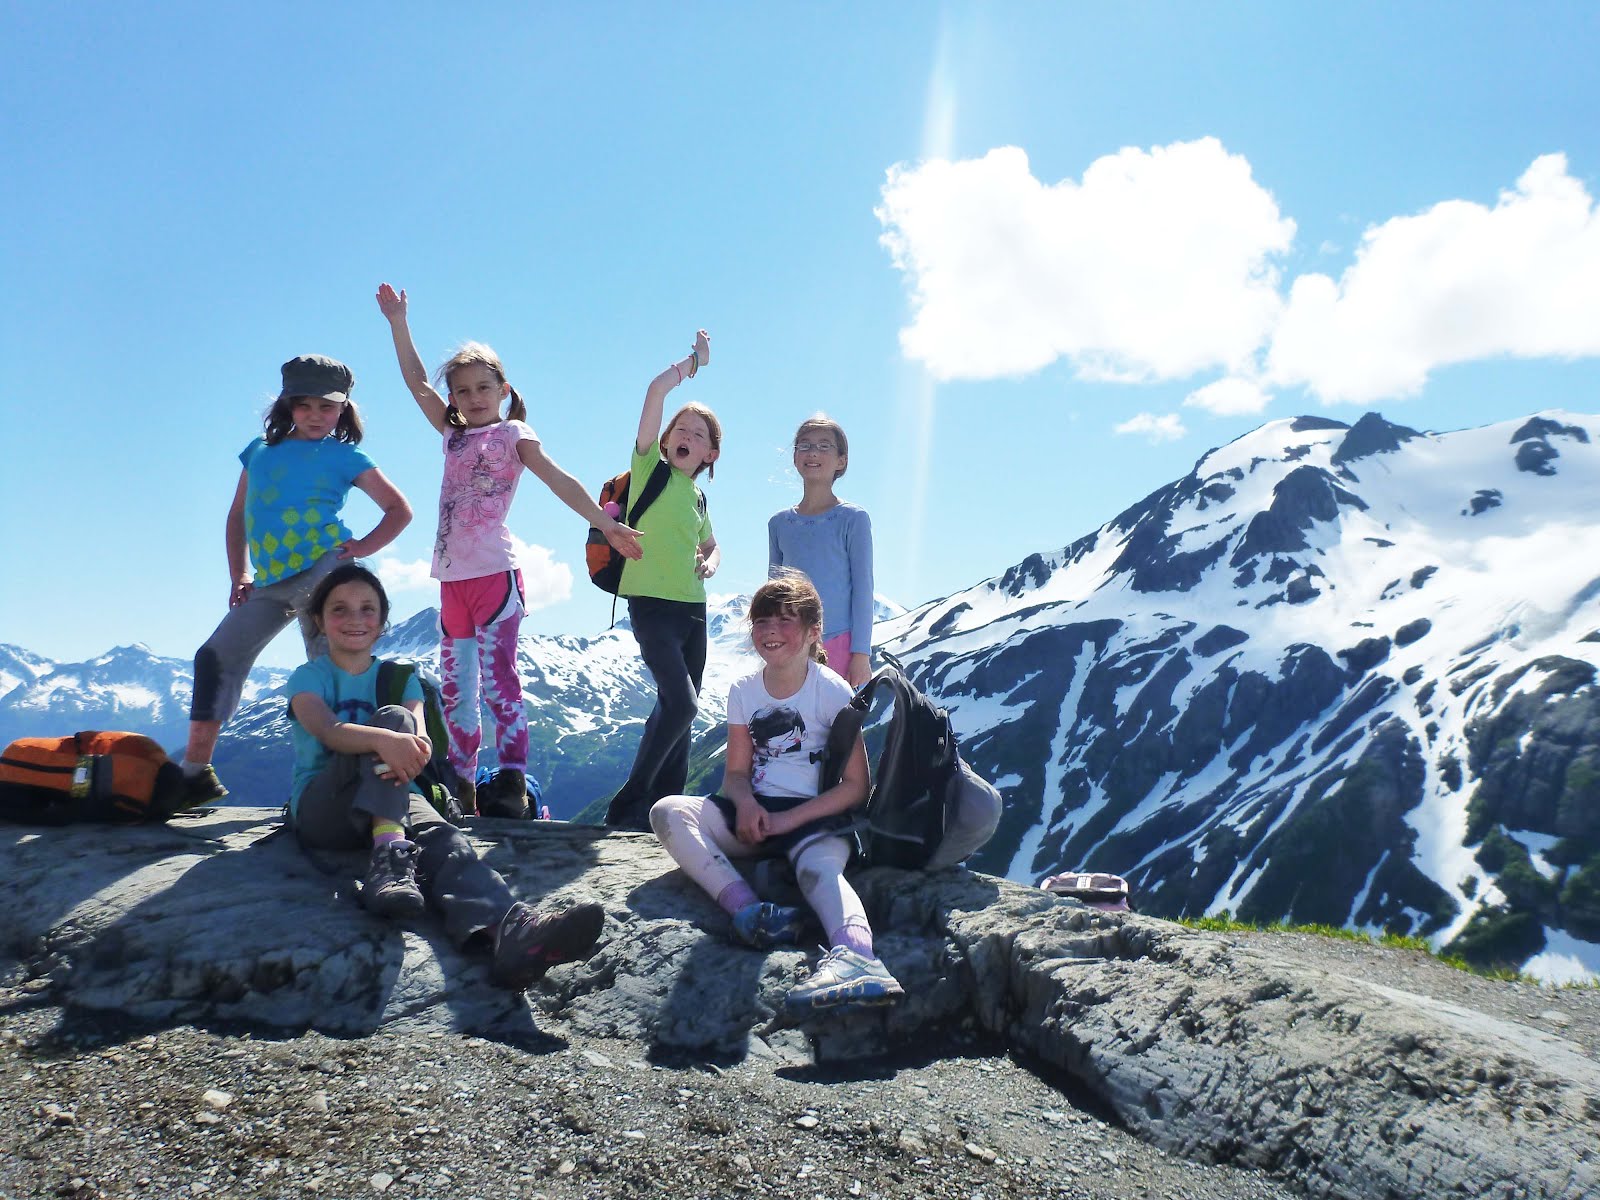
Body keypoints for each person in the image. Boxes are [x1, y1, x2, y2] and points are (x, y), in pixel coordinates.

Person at [376, 284, 642, 818]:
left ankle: (514, 783)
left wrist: (604, 525)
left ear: (503, 389)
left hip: (496, 577)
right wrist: (398, 322)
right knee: (457, 692)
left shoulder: (513, 434)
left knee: (500, 683)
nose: (473, 397)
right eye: (463, 390)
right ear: (453, 397)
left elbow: (556, 478)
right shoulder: (451, 436)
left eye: (483, 387)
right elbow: (413, 382)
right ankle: (464, 788)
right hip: (452, 581)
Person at [287, 561, 604, 990]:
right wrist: (387, 740)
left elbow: (417, 741)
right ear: (318, 620)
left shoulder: (400, 678)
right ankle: (389, 859)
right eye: (340, 609)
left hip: (393, 796)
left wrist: (399, 742)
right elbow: (328, 731)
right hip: (325, 807)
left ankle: (511, 933)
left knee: (447, 842)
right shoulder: (308, 678)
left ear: (382, 622)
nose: (354, 619)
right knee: (390, 725)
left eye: (367, 609)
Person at [650, 571, 903, 1014]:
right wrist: (745, 803)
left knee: (819, 874)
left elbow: (856, 788)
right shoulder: (744, 692)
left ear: (812, 632)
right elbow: (735, 773)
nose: (769, 630)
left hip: (814, 818)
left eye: (785, 620)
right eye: (761, 621)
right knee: (668, 811)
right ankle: (752, 914)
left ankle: (860, 957)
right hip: (757, 813)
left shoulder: (831, 690)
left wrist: (787, 821)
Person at [180, 355, 412, 804]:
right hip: (270, 582)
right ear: (287, 405)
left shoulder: (347, 456)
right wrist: (238, 573)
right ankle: (192, 775)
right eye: (304, 405)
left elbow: (398, 508)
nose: (315, 415)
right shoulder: (259, 452)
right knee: (215, 656)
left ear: (343, 409)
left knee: (332, 665)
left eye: (327, 407)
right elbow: (237, 517)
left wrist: (361, 548)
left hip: (325, 569)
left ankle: (339, 780)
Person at [602, 331, 719, 832]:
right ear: (667, 440)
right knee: (682, 701)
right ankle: (628, 807)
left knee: (680, 711)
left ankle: (666, 806)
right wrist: (692, 363)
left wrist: (711, 561)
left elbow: (710, 544)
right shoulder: (649, 467)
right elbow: (654, 392)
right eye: (681, 428)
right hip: (651, 605)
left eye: (699, 433)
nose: (686, 435)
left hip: (694, 611)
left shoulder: (698, 498)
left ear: (711, 453)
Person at [768, 415, 873, 688]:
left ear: (842, 460)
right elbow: (773, 593)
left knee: (840, 727)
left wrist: (861, 654)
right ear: (794, 457)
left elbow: (863, 589)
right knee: (795, 727)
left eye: (824, 446)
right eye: (804, 445)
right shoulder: (779, 524)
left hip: (839, 642)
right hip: (791, 643)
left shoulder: (853, 519)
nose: (813, 452)